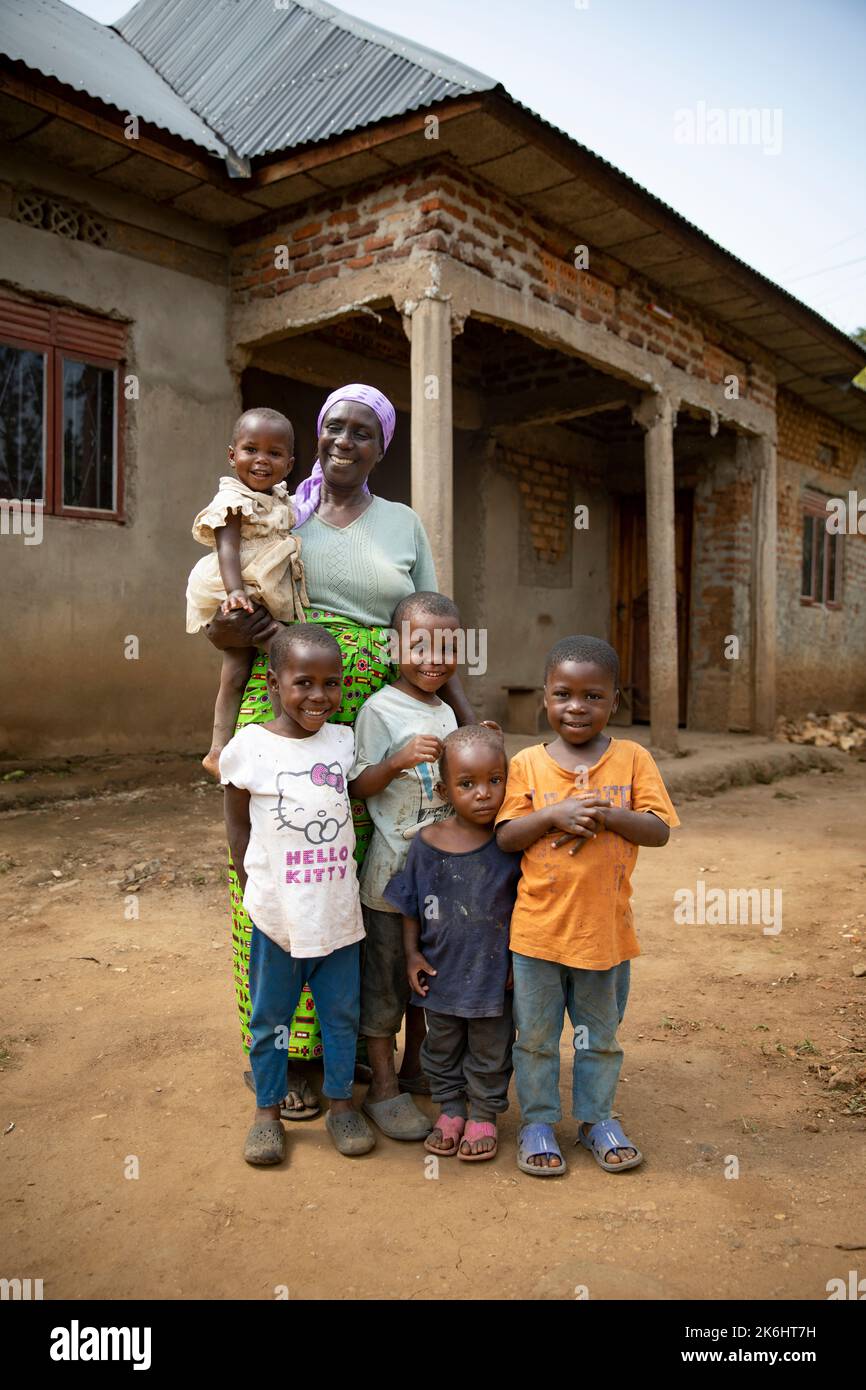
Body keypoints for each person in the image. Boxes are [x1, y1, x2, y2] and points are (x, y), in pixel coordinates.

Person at [205, 385, 479, 1118]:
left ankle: (353, 1039)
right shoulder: (281, 511)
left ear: (380, 447)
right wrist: (250, 639)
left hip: (380, 715)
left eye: (360, 433)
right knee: (277, 864)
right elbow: (223, 606)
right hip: (292, 696)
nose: (342, 442)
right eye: (332, 429)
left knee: (357, 877)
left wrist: (469, 722)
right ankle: (287, 1055)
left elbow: (434, 631)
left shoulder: (403, 524)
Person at [495, 635, 679, 1176]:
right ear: (545, 700)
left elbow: (659, 830)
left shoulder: (632, 758)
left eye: (593, 696)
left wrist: (605, 813)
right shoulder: (527, 763)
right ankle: (537, 1121)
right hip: (537, 934)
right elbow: (506, 836)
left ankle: (597, 1118)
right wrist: (555, 815)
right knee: (534, 1037)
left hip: (605, 934)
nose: (577, 707)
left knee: (599, 1037)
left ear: (614, 702)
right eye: (563, 694)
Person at [221, 624, 376, 1165]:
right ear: (273, 683)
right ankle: (266, 1112)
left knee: (341, 1017)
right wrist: (250, 885)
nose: (318, 696)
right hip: (277, 917)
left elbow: (356, 791)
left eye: (331, 683)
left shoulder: (342, 740)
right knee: (271, 1020)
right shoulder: (250, 747)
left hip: (338, 914)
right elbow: (237, 824)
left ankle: (340, 1105)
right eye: (303, 682)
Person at [348, 592, 463, 1141]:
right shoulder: (379, 710)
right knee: (385, 986)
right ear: (395, 646)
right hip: (392, 878)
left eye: (447, 645)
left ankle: (417, 1067)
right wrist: (395, 761)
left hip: (437, 878)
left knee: (426, 983)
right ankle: (384, 1088)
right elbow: (357, 783)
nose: (434, 658)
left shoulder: (443, 710)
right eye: (420, 645)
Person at [384, 724, 521, 1161]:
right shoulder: (427, 844)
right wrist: (412, 955)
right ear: (445, 790)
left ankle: (483, 1113)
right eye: (467, 784)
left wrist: (519, 962)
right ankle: (450, 1108)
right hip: (440, 973)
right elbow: (410, 904)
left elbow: (527, 907)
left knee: (490, 1048)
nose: (483, 793)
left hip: (493, 977)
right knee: (439, 1046)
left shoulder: (511, 843)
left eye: (494, 781)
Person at [186, 408, 308, 778]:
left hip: (261, 588)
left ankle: (218, 750)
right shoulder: (232, 499)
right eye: (251, 449)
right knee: (283, 653)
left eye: (273, 453)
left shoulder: (279, 499)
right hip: (239, 589)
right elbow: (228, 550)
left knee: (238, 671)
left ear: (289, 464)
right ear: (231, 455)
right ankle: (284, 731)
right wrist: (236, 591)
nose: (261, 460)